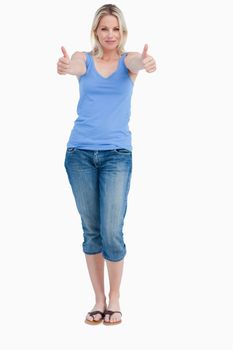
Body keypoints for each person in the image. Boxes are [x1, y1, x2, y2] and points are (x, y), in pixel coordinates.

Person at [57, 3, 156, 326]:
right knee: (92, 231)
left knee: (113, 232)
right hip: (79, 155)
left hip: (116, 156)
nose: (110, 34)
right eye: (104, 28)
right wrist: (66, 67)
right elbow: (75, 66)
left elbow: (135, 61)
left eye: (115, 28)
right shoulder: (83, 59)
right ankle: (98, 300)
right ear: (95, 31)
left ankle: (115, 299)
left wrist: (145, 61)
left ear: (122, 32)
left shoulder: (128, 62)